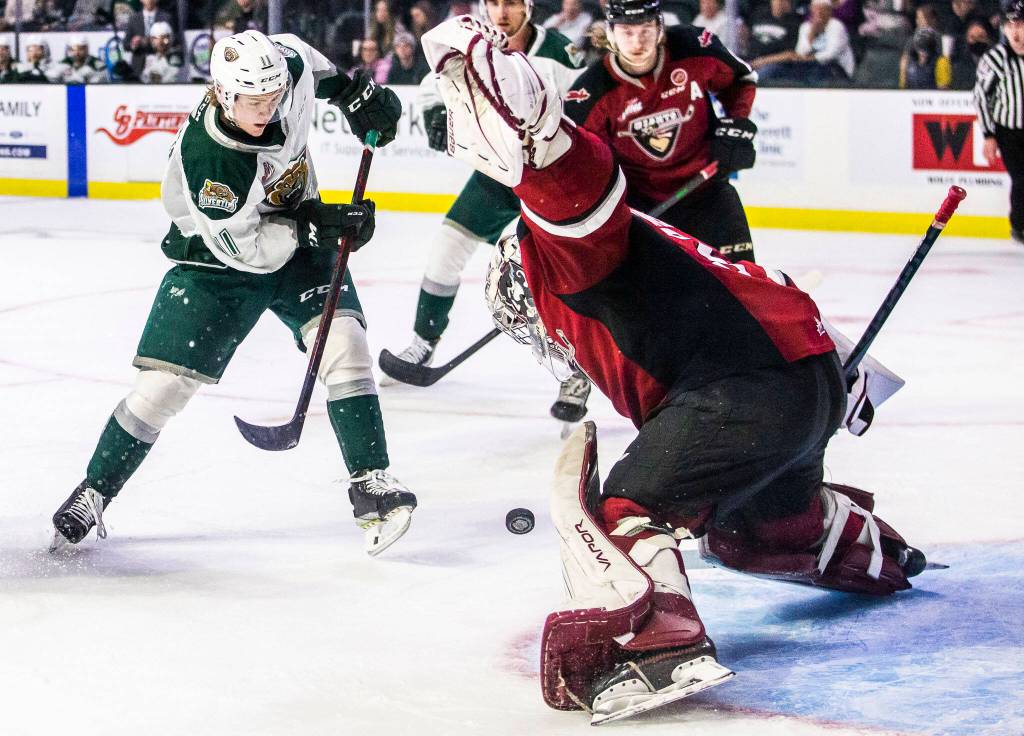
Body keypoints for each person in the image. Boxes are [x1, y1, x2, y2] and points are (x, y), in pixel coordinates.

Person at [420, 16, 929, 722]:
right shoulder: (668, 246)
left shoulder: (563, 258)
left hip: (747, 394)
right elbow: (777, 296)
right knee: (753, 529)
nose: (542, 335)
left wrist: (533, 130)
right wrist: (844, 384)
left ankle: (657, 639)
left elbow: (572, 190)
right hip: (806, 385)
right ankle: (852, 544)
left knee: (623, 506)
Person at [50, 30, 415, 558]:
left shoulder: (283, 69)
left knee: (345, 343)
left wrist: (351, 94)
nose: (267, 109)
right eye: (253, 101)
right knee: (161, 390)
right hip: (218, 258)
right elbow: (250, 251)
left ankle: (371, 483)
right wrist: (320, 225)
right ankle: (95, 490)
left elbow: (306, 60)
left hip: (295, 225)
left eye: (273, 97)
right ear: (223, 94)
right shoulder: (211, 160)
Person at [381, 0, 589, 425]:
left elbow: (588, 112)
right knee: (446, 247)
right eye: (494, 2)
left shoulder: (561, 55)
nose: (501, 12)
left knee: (542, 282)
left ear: (528, 7)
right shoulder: (472, 43)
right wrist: (437, 113)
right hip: (496, 177)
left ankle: (573, 369)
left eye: (511, 2)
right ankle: (424, 340)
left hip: (550, 180)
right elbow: (431, 84)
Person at [565, 0, 758, 263]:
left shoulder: (693, 48)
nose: (637, 43)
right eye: (627, 32)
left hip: (708, 194)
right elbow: (581, 164)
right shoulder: (591, 92)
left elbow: (741, 79)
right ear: (610, 33)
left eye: (645, 30)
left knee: (742, 284)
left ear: (660, 28)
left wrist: (736, 125)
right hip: (640, 208)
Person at [976, 0, 1024, 245]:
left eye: (1021, 25)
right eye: (1010, 25)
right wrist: (988, 134)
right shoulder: (996, 59)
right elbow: (982, 97)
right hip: (1009, 132)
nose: (1015, 32)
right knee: (1022, 178)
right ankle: (1019, 226)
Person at [123, 0, 175, 77]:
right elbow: (125, 45)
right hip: (138, 68)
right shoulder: (133, 19)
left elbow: (174, 41)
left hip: (161, 66)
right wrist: (133, 45)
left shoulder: (167, 18)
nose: (149, 1)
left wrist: (161, 42)